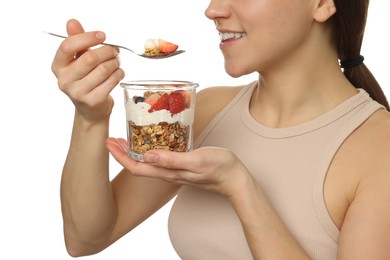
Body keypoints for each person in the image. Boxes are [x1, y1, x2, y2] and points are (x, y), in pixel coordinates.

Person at [51, 0, 390, 259]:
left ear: (321, 3)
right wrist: (91, 117)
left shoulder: (379, 149)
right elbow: (87, 237)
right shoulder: (207, 112)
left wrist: (240, 188)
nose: (212, 9)